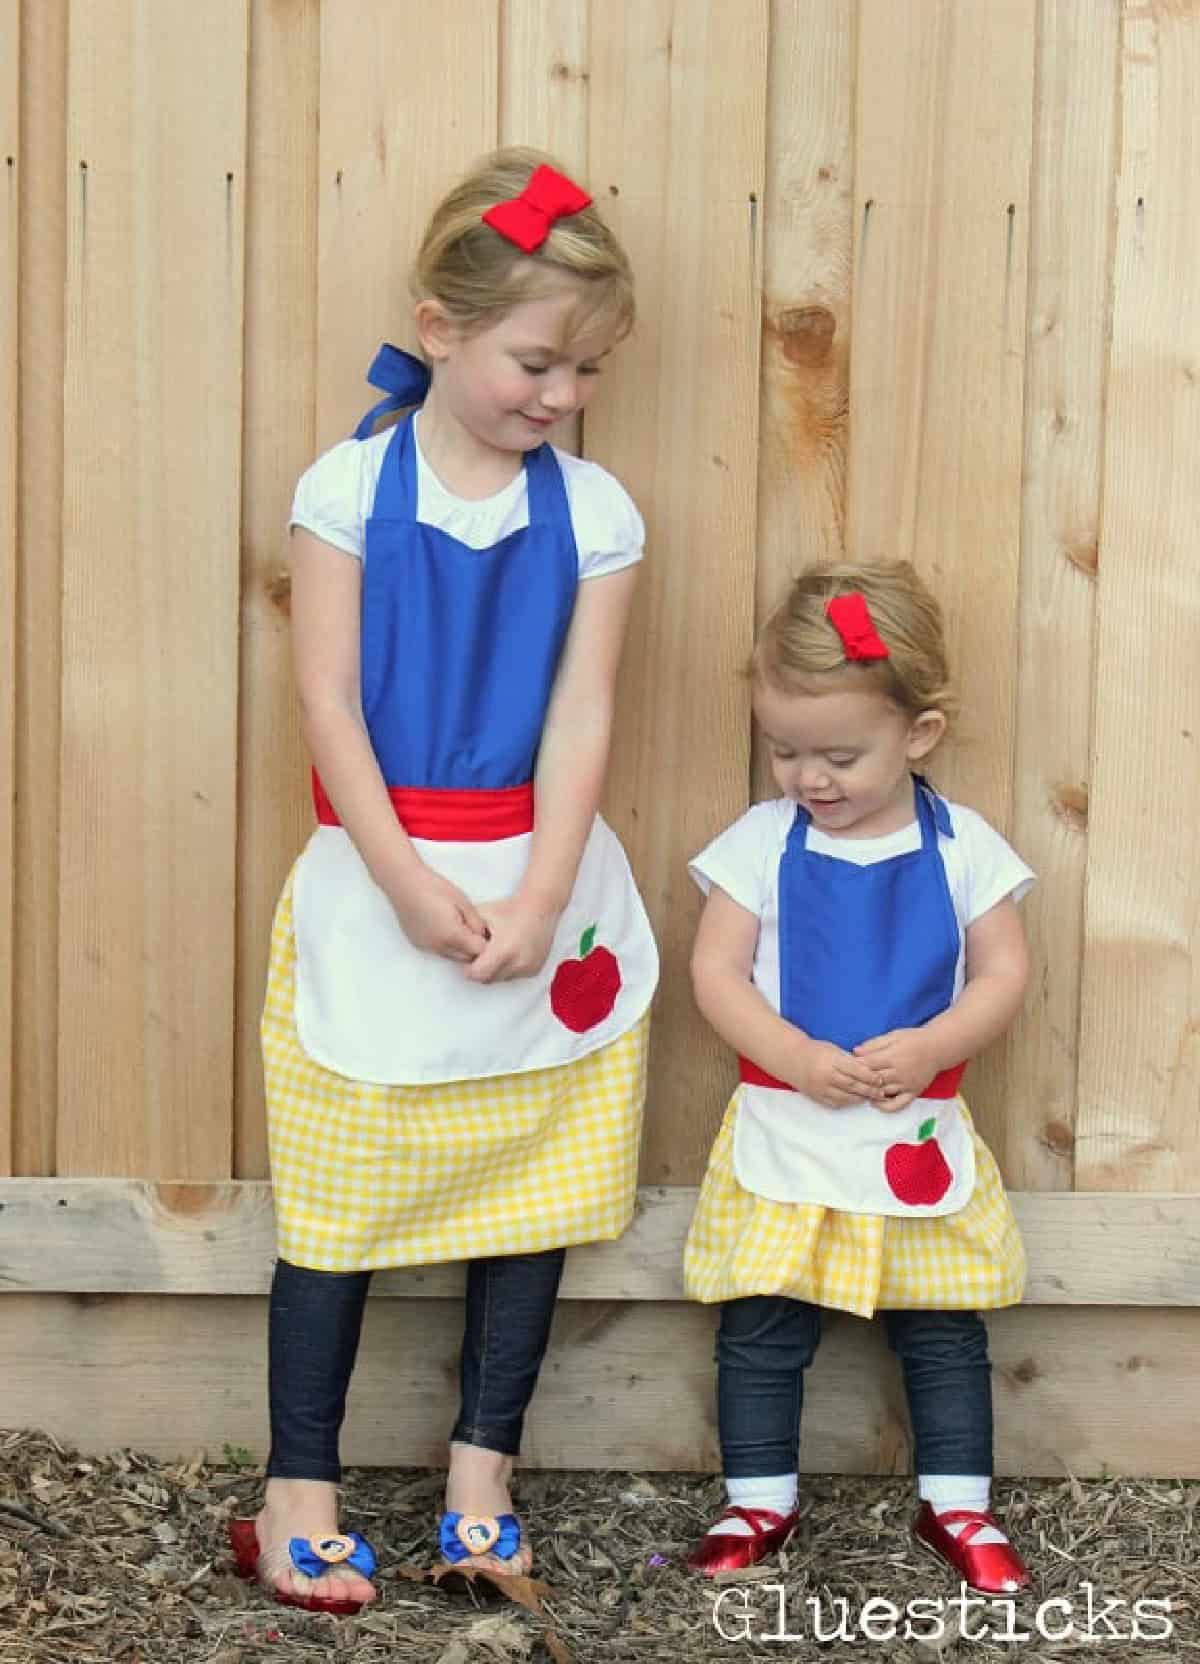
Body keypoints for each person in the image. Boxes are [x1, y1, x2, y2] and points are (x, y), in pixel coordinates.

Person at [228, 148, 658, 1615]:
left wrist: (542, 899)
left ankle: (485, 1476)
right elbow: (332, 706)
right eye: (539, 360)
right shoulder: (347, 490)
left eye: (588, 371)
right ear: (439, 328)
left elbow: (581, 715)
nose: (561, 396)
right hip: (383, 878)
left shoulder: (597, 516)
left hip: (542, 876)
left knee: (526, 1192)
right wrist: (409, 884)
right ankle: (299, 1489)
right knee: (340, 1204)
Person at [682, 560, 1032, 1595]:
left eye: (840, 753)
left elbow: (1004, 969)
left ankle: (958, 1500)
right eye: (785, 750)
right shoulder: (759, 842)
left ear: (918, 733)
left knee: (942, 1326)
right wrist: (790, 1054)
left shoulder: (966, 846)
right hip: (789, 1124)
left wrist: (932, 1045)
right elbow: (717, 968)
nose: (809, 776)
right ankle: (758, 1497)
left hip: (914, 1131)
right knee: (760, 1323)